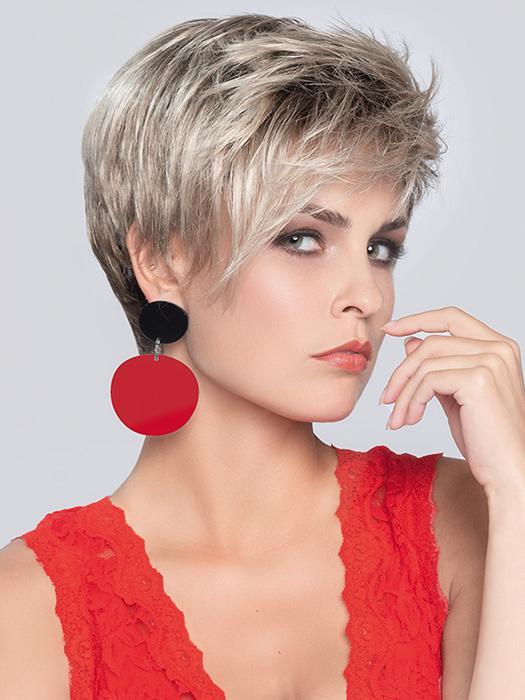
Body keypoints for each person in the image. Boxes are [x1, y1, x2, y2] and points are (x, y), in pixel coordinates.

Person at [0, 13, 489, 699]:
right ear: (162, 260)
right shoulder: (28, 613)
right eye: (302, 239)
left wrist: (519, 488)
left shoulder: (462, 521)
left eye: (381, 248)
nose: (365, 296)